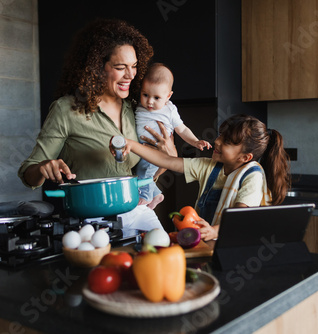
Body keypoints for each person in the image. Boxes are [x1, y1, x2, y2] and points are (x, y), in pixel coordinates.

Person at [18, 18, 176, 231]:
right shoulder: (67, 110)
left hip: (136, 212)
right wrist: (44, 167)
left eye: (134, 66)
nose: (130, 75)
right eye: (121, 67)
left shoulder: (137, 109)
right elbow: (29, 174)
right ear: (97, 67)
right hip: (91, 222)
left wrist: (168, 154)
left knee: (161, 255)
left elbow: (157, 165)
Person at [113, 114, 291, 240]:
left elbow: (240, 218)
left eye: (227, 142)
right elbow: (167, 160)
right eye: (221, 135)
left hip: (232, 247)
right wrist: (131, 144)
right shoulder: (209, 167)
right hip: (206, 242)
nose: (217, 141)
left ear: (245, 158)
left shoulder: (252, 176)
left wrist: (215, 231)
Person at [135, 63, 211, 208]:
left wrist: (195, 141)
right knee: (144, 174)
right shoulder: (139, 104)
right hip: (142, 149)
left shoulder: (169, 110)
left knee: (143, 173)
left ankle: (145, 197)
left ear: (168, 96)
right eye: (145, 94)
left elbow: (181, 129)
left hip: (155, 151)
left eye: (156, 98)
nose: (149, 101)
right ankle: (156, 195)